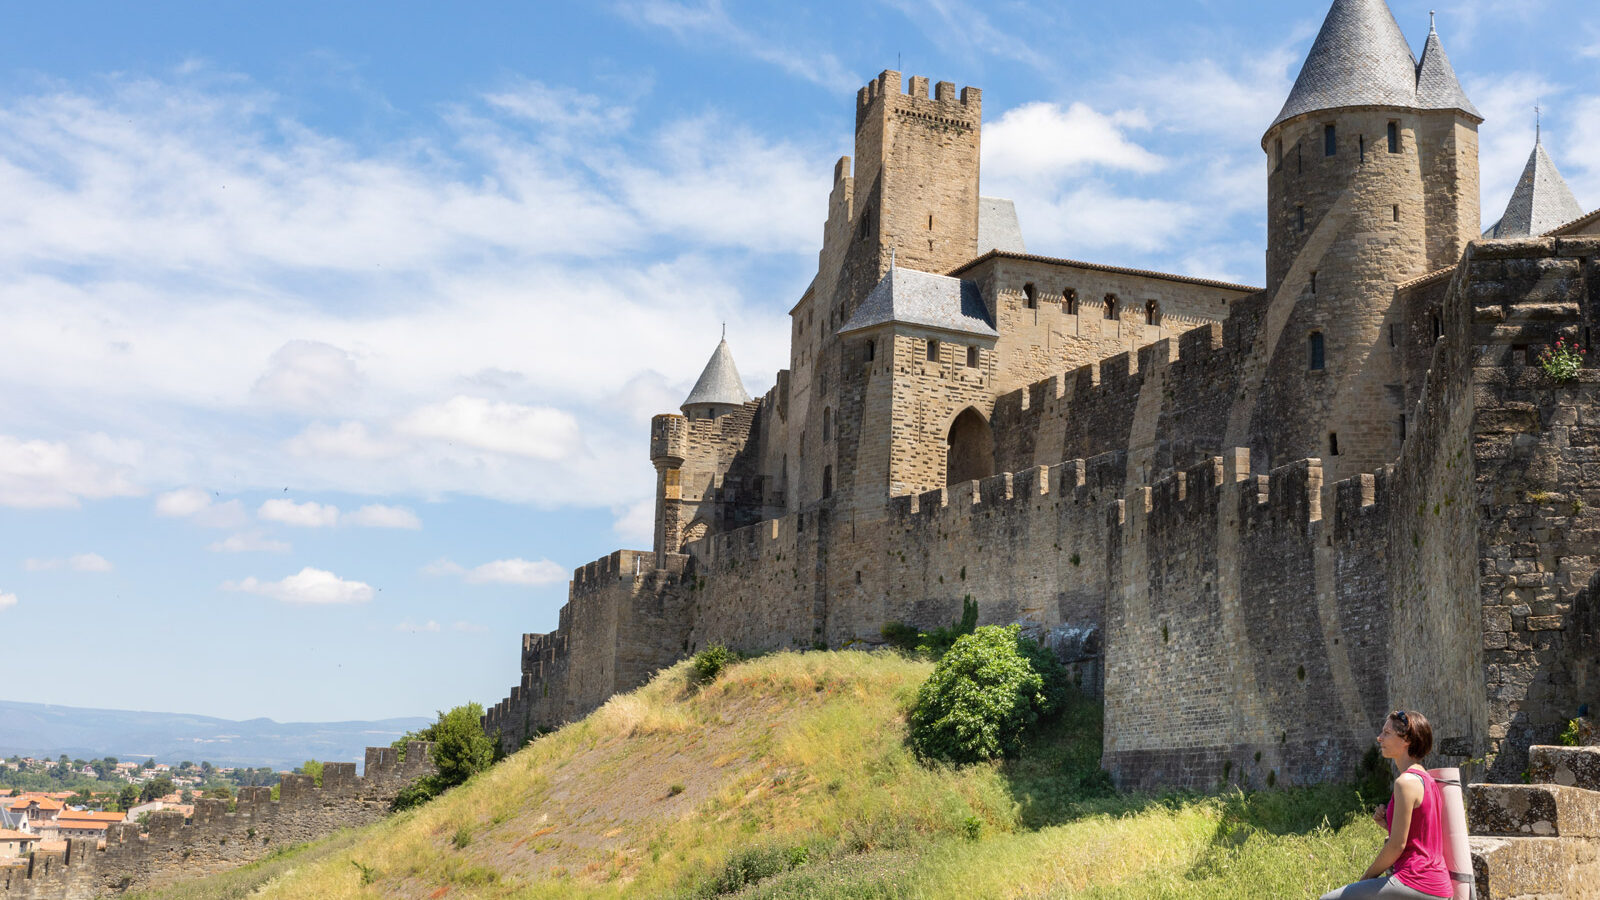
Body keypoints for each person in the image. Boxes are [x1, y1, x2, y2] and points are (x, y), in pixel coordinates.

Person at [1318, 710, 1452, 899]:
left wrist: (1365, 879)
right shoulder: (1426, 779)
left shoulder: (1405, 783)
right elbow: (1421, 837)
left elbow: (1397, 845)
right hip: (1436, 885)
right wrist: (1389, 824)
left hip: (1417, 881)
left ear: (1406, 740)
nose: (1379, 738)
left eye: (1387, 733)